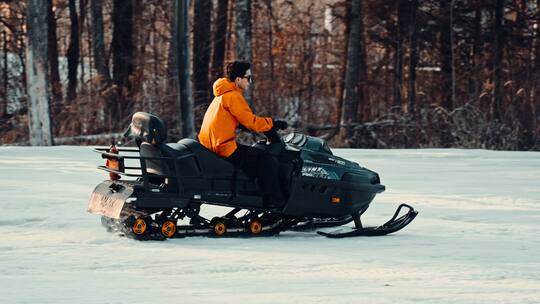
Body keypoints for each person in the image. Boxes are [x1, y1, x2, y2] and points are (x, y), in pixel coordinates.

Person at [198, 61, 288, 207]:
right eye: (248, 77)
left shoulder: (221, 95)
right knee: (267, 159)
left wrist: (242, 125)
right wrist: (273, 123)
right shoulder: (233, 96)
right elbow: (251, 121)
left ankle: (256, 196)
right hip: (224, 147)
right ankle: (276, 201)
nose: (250, 82)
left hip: (212, 145)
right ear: (238, 79)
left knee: (253, 159)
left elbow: (237, 120)